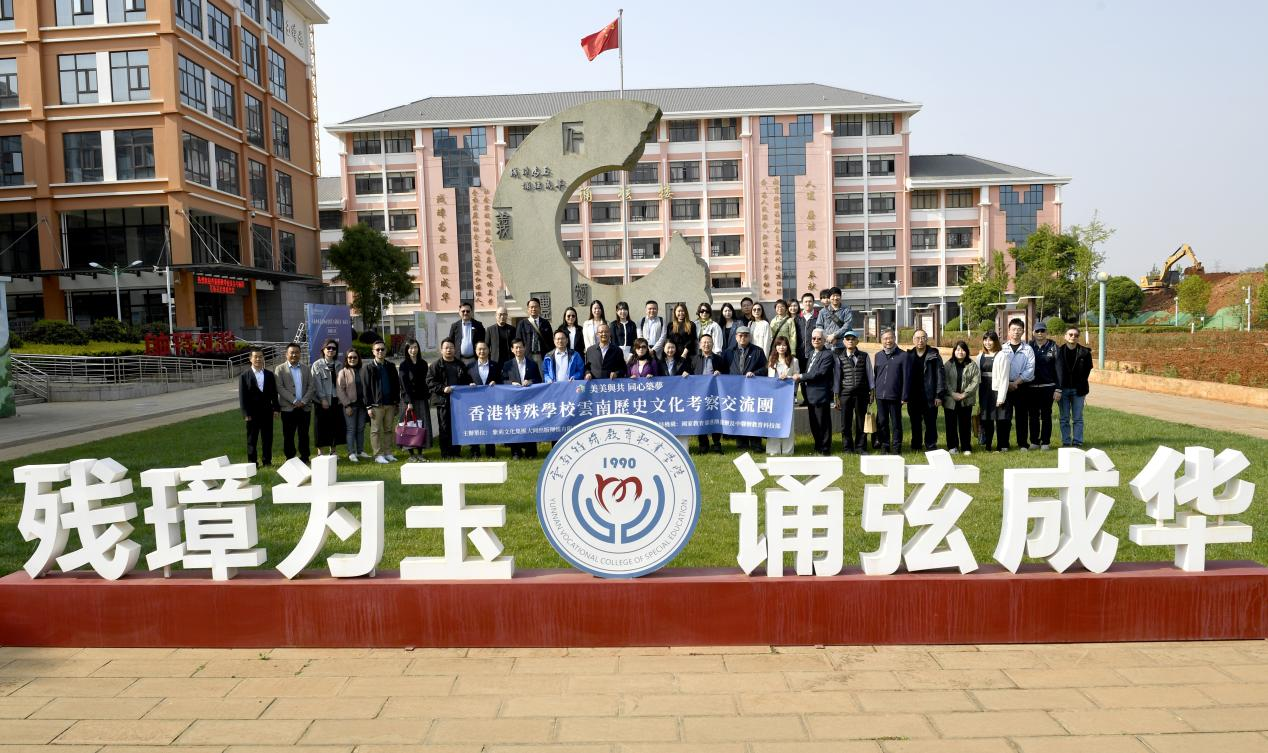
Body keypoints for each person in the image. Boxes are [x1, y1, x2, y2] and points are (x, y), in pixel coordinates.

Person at [427, 338, 473, 459]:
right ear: (441, 350)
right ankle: (446, 453)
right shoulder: (435, 365)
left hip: (458, 402)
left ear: (455, 349)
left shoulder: (460, 364)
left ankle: (456, 452)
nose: (449, 350)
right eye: (446, 348)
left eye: (451, 347)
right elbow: (430, 382)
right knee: (444, 428)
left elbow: (466, 379)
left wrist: (470, 384)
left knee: (457, 428)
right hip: (443, 401)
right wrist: (443, 388)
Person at [728, 325, 768, 450]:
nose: (743, 338)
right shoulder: (728, 352)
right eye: (740, 335)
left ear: (749, 337)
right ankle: (741, 444)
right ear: (736, 337)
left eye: (746, 335)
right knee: (739, 416)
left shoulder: (758, 351)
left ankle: (756, 444)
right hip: (735, 390)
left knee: (753, 416)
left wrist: (755, 373)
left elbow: (765, 369)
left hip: (753, 390)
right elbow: (724, 370)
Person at [275, 342, 316, 464]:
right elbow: (279, 387)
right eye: (292, 352)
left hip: (304, 408)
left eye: (297, 352)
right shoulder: (280, 369)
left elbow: (311, 387)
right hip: (288, 408)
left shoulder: (306, 368)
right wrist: (293, 400)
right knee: (288, 435)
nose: (294, 355)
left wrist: (303, 401)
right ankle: (290, 458)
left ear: (300, 354)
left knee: (304, 434)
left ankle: (305, 457)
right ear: (286, 354)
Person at [361, 340, 401, 464]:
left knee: (388, 430)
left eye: (382, 349)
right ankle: (378, 455)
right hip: (375, 405)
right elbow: (365, 388)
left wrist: (396, 403)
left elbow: (396, 385)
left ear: (386, 351)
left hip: (390, 404)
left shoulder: (391, 366)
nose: (380, 351)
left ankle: (388, 453)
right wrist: (368, 406)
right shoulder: (368, 368)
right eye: (377, 349)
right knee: (375, 431)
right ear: (373, 352)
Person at [238, 348, 279, 467]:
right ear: (250, 359)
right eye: (255, 357)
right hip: (252, 413)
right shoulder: (244, 376)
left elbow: (274, 393)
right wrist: (246, 413)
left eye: (260, 356)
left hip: (267, 411)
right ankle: (252, 462)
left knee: (267, 438)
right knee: (252, 439)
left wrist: (276, 409)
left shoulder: (269, 374)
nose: (258, 359)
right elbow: (242, 396)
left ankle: (267, 461)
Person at [502, 338, 543, 459]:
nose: (518, 349)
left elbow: (539, 380)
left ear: (524, 348)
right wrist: (511, 383)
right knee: (514, 425)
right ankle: (516, 452)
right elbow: (502, 381)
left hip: (529, 401)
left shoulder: (532, 364)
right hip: (513, 401)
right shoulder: (507, 365)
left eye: (520, 347)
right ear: (512, 349)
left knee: (530, 424)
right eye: (516, 347)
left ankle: (531, 451)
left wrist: (530, 381)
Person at [802, 328, 840, 456]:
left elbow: (819, 373)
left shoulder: (828, 355)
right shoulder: (811, 353)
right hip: (810, 394)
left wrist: (801, 376)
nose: (816, 340)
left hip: (821, 393)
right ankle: (818, 445)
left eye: (819, 338)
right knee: (814, 422)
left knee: (823, 422)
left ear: (824, 340)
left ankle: (825, 448)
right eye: (814, 338)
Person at [906, 328, 945, 452]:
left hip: (930, 396)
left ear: (927, 339)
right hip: (913, 396)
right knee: (915, 422)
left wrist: (939, 395)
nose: (920, 340)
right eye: (917, 338)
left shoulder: (934, 355)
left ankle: (931, 445)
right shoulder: (908, 356)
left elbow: (940, 376)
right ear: (913, 340)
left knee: (931, 423)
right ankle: (916, 445)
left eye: (923, 338)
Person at [1055, 325, 1093, 448]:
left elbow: (1087, 370)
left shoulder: (1085, 352)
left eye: (1076, 335)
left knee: (1078, 418)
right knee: (1064, 418)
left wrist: (1081, 385)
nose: (1073, 337)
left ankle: (1077, 441)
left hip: (1079, 390)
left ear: (1078, 337)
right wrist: (1058, 388)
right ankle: (1066, 442)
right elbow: (1056, 371)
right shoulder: (1059, 351)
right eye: (1070, 334)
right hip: (1063, 389)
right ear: (1065, 336)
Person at [872, 329, 909, 454]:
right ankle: (885, 446)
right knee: (882, 422)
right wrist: (874, 392)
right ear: (881, 340)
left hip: (895, 395)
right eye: (885, 338)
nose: (888, 341)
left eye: (890, 338)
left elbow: (907, 377)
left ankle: (897, 447)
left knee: (896, 423)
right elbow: (876, 375)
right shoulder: (878, 356)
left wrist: (904, 395)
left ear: (894, 338)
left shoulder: (903, 356)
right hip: (880, 396)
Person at [398, 339, 433, 463]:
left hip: (421, 399)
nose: (413, 350)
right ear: (407, 350)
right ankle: (411, 454)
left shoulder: (423, 363)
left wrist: (428, 396)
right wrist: (409, 402)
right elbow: (404, 385)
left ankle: (420, 453)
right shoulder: (403, 365)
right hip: (408, 401)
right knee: (409, 426)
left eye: (415, 347)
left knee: (421, 426)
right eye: (411, 348)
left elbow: (426, 382)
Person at [838, 330, 873, 454]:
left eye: (853, 339)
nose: (850, 341)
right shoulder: (839, 357)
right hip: (845, 394)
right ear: (844, 342)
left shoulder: (864, 356)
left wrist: (872, 391)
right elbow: (837, 377)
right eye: (848, 339)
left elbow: (870, 374)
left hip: (861, 393)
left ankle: (860, 447)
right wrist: (836, 395)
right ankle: (847, 447)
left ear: (857, 341)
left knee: (861, 421)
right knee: (845, 423)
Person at [690, 333, 726, 453]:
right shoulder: (694, 359)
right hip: (699, 394)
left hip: (715, 393)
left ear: (713, 344)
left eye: (709, 342)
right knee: (701, 417)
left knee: (715, 417)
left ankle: (716, 443)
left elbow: (727, 374)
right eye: (704, 342)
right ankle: (703, 444)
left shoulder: (719, 359)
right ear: (700, 345)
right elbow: (690, 374)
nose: (706, 344)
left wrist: (720, 373)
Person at [978, 330, 1013, 452]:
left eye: (990, 340)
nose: (987, 343)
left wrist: (1001, 397)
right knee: (987, 418)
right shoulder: (980, 356)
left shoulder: (1002, 356)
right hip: (984, 391)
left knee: (1001, 419)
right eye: (985, 340)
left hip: (997, 390)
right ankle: (988, 445)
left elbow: (1004, 378)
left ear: (995, 341)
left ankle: (1002, 445)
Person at [1003, 318, 1036, 451]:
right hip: (1005, 386)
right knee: (1005, 416)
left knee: (1022, 416)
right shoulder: (1002, 348)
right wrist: (1007, 383)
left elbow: (1030, 369)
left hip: (1022, 387)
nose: (1016, 332)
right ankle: (1004, 444)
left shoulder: (1028, 349)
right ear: (1009, 331)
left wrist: (1016, 383)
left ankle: (1022, 443)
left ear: (1023, 331)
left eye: (1019, 330)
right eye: (1013, 329)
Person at [943, 340, 980, 455]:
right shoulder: (948, 365)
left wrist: (964, 394)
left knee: (965, 424)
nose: (960, 352)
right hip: (951, 400)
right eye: (958, 349)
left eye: (963, 350)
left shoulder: (972, 365)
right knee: (951, 424)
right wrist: (952, 393)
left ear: (967, 351)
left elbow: (975, 381)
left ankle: (966, 447)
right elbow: (945, 381)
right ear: (954, 351)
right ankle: (952, 446)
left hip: (966, 399)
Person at [766, 335, 800, 456]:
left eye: (784, 345)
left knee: (788, 422)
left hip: (787, 396)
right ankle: (773, 449)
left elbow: (797, 377)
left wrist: (788, 377)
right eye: (779, 345)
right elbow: (769, 378)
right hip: (773, 396)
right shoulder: (771, 359)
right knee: (773, 422)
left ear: (788, 347)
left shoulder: (794, 361)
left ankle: (787, 450)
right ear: (775, 347)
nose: (781, 347)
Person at [310, 339, 345, 458]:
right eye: (328, 348)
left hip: (336, 399)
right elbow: (316, 384)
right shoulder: (317, 365)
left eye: (333, 348)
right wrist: (323, 399)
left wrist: (341, 397)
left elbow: (342, 383)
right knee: (321, 426)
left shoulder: (339, 364)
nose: (331, 350)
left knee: (334, 426)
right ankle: (320, 452)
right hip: (321, 400)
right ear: (323, 350)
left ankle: (333, 451)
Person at [1027, 322, 1058, 450]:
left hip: (1048, 387)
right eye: (1037, 331)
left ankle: (1045, 442)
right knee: (1033, 415)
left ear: (1046, 332)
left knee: (1046, 415)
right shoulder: (1028, 346)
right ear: (1033, 333)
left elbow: (1059, 369)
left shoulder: (1053, 347)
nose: (1040, 333)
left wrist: (1058, 388)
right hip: (1032, 387)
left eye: (1042, 331)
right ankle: (1034, 441)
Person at [466, 341, 500, 458]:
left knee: (490, 425)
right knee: (475, 426)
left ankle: (490, 452)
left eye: (484, 349)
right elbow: (464, 381)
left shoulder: (495, 365)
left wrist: (496, 382)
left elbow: (501, 380)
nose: (482, 351)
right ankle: (475, 451)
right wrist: (469, 384)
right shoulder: (469, 367)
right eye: (479, 349)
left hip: (491, 401)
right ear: (475, 351)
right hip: (474, 402)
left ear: (488, 350)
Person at [336, 349, 367, 461]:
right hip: (350, 406)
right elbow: (340, 390)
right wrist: (347, 405)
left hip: (362, 405)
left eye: (355, 357)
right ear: (346, 359)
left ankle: (360, 451)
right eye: (350, 357)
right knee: (351, 429)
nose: (352, 359)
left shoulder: (363, 370)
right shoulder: (343, 372)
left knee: (361, 428)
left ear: (358, 359)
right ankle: (351, 453)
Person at [515, 296, 553, 368]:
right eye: (531, 307)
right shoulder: (522, 324)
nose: (533, 309)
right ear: (528, 309)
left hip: (543, 356)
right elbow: (518, 341)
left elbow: (550, 341)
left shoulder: (545, 323)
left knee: (543, 374)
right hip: (527, 356)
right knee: (530, 375)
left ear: (539, 308)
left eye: (536, 307)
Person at [816, 287, 853, 355]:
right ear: (829, 297)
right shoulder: (823, 312)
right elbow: (819, 326)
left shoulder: (846, 310)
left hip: (842, 345)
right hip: (826, 345)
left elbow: (847, 326)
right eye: (833, 296)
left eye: (837, 295)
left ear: (841, 297)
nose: (835, 298)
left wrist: (834, 335)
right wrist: (827, 338)